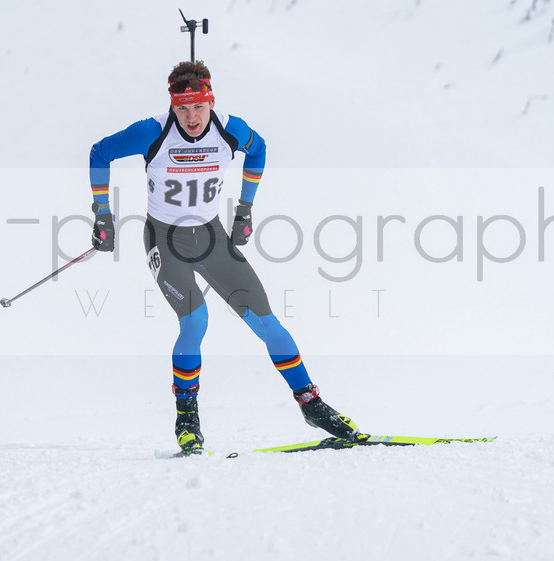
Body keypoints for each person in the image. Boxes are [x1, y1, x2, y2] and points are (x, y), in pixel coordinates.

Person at [88, 60, 358, 454]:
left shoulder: (230, 129)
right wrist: (102, 213)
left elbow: (260, 149)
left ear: (210, 101)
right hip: (164, 238)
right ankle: (187, 419)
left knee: (267, 322)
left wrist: (245, 210)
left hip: (211, 237)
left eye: (198, 107)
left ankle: (312, 405)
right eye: (182, 109)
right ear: (171, 106)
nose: (192, 117)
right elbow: (100, 153)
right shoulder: (152, 131)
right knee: (196, 319)